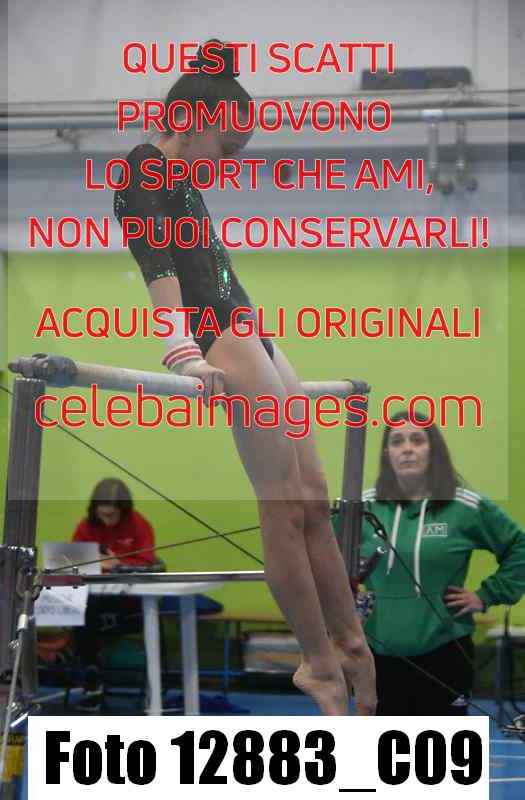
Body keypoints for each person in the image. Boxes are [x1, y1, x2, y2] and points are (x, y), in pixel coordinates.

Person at [113, 39, 375, 716]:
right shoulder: (141, 169)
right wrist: (181, 351)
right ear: (192, 121)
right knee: (282, 505)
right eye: (226, 148)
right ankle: (316, 662)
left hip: (248, 329)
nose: (228, 162)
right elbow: (157, 264)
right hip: (216, 337)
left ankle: (349, 641)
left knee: (312, 498)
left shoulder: (179, 175)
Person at [358, 409, 525, 716]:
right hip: (377, 652)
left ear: (433, 450)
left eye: (417, 440)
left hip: (446, 652)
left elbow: (520, 547)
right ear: (386, 453)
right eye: (397, 441)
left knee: (443, 746)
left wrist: (487, 594)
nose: (407, 448)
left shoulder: (464, 506)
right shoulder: (362, 506)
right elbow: (325, 555)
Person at [72, 477, 159, 711]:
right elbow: (71, 562)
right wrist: (97, 564)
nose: (106, 520)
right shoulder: (86, 526)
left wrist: (118, 563)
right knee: (80, 611)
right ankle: (92, 674)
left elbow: (148, 562)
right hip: (94, 602)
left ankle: (92, 673)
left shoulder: (139, 525)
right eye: (102, 515)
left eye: (111, 515)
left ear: (124, 510)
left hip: (129, 602)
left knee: (86, 619)